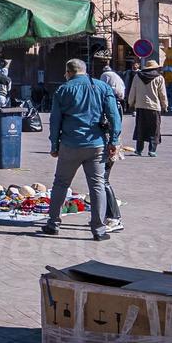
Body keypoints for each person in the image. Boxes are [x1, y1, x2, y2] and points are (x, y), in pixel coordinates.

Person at [42, 58, 120, 241]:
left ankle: (53, 224)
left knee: (61, 183)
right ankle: (99, 230)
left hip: (70, 144)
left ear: (69, 72)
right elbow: (114, 116)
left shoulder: (63, 89)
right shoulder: (102, 87)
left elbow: (55, 121)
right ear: (85, 71)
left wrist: (54, 145)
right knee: (97, 185)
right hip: (96, 144)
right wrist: (114, 141)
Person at [126, 57, 168, 157]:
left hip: (140, 106)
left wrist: (130, 103)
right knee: (154, 129)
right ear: (155, 68)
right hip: (154, 107)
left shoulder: (137, 76)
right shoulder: (159, 78)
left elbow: (133, 91)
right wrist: (165, 106)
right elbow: (162, 94)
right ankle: (152, 150)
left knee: (140, 128)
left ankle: (139, 150)